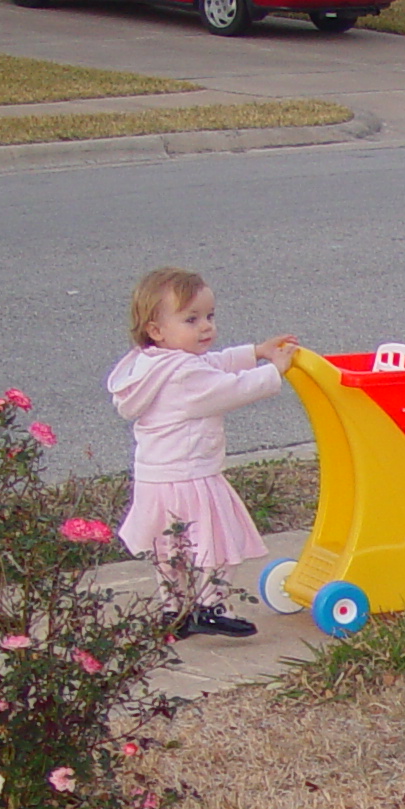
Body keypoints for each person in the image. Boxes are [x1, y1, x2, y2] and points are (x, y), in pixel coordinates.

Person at [106, 267, 299, 641]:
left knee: (170, 549)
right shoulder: (183, 376)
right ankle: (210, 605)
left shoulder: (153, 365)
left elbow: (212, 364)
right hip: (192, 476)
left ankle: (173, 609)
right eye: (191, 319)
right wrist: (275, 370)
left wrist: (255, 351)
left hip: (157, 478)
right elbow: (231, 388)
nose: (206, 327)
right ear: (156, 330)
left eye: (209, 316)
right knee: (217, 543)